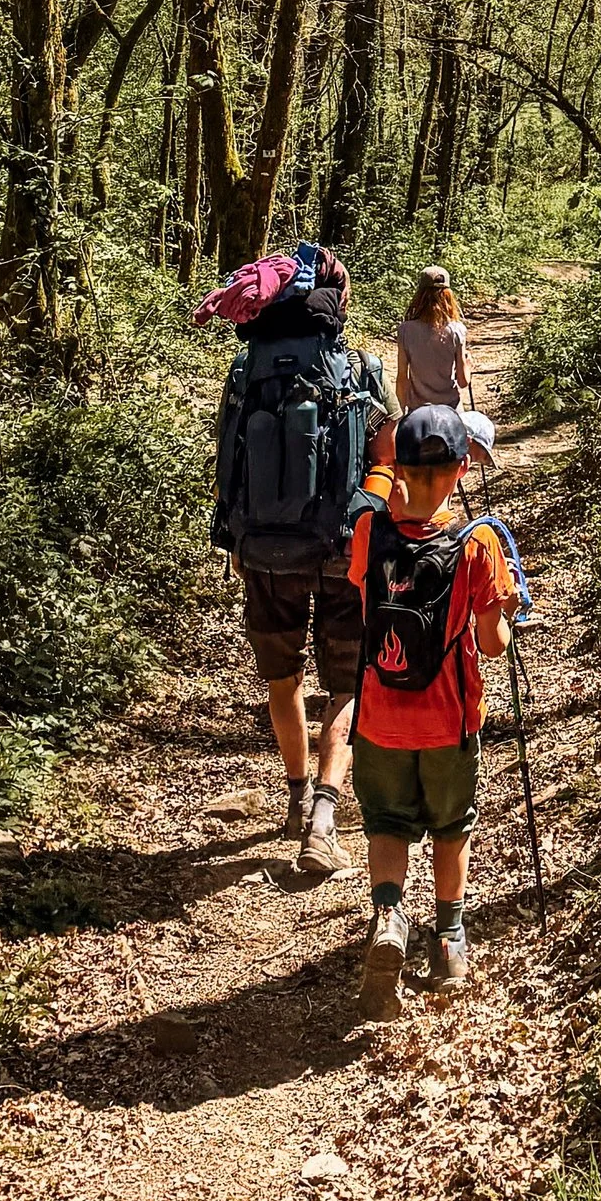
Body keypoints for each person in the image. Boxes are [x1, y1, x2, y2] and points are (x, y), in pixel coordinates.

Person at [208, 245, 392, 880]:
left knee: (281, 679)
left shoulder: (244, 372)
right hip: (344, 550)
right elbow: (388, 462)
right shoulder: (362, 371)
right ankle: (323, 815)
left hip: (263, 549)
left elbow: (229, 459)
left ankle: (292, 797)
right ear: (336, 306)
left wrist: (233, 536)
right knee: (346, 683)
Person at [344, 401, 514, 1014]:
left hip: (379, 716)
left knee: (386, 823)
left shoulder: (369, 530)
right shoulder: (479, 543)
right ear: (463, 467)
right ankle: (448, 941)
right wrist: (507, 606)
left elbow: (367, 601)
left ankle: (390, 914)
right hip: (449, 718)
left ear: (399, 466)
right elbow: (493, 646)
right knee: (451, 826)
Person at [395, 264, 495, 456]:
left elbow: (402, 377)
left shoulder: (405, 330)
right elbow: (463, 381)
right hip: (450, 410)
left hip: (418, 410)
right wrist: (468, 365)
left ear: (420, 294)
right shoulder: (457, 330)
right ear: (448, 295)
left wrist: (402, 412)